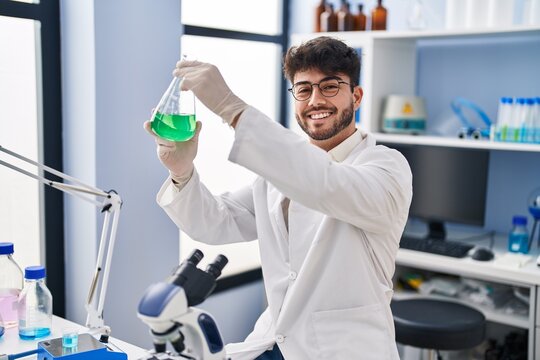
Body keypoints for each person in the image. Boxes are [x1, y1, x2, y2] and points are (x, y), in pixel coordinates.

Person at [144, 36, 412, 360]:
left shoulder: (386, 167)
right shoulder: (279, 174)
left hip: (344, 351)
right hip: (274, 342)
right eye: (303, 89)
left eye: (330, 87)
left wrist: (232, 108)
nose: (315, 100)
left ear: (356, 96)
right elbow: (216, 222)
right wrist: (182, 172)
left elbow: (326, 184)